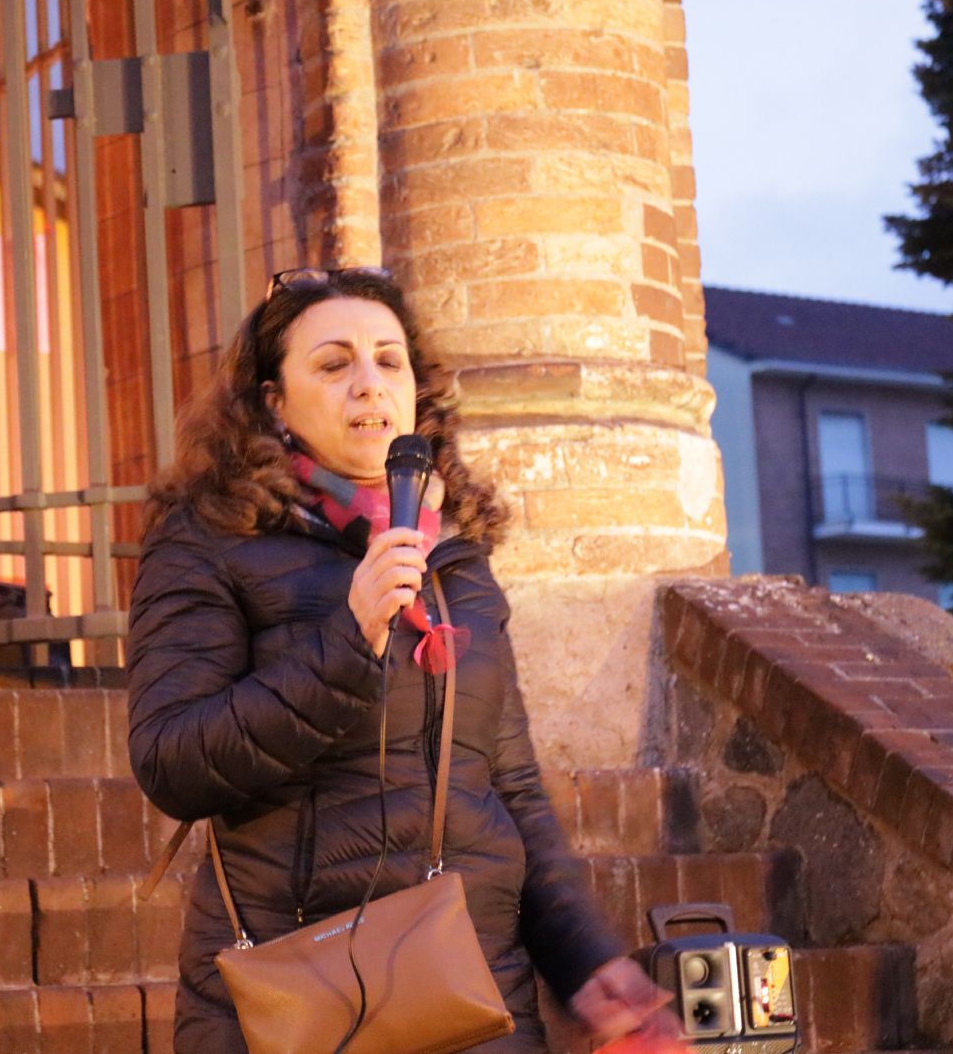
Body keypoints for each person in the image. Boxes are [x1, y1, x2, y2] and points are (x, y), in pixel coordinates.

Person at [126, 267, 687, 1052]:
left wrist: (586, 962)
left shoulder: (453, 556)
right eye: (334, 363)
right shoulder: (209, 541)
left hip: (474, 996)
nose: (369, 382)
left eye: (389, 360)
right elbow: (172, 760)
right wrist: (348, 639)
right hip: (302, 995)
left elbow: (509, 787)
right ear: (274, 402)